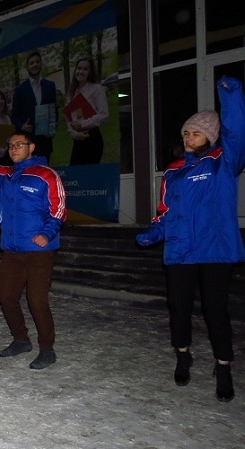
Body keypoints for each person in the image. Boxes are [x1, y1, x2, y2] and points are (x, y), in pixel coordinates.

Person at [136, 76, 244, 403]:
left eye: (196, 133)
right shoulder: (173, 172)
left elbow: (237, 132)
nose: (188, 137)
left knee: (215, 308)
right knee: (178, 306)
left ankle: (223, 367)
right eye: (186, 132)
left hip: (214, 248)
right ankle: (183, 355)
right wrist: (155, 231)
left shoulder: (223, 162)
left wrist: (232, 99)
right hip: (180, 249)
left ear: (210, 137)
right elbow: (165, 211)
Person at [0, 131, 67, 369]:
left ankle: (47, 349)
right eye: (10, 145)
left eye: (19, 144)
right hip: (12, 250)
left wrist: (46, 234)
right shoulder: (6, 174)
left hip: (38, 250)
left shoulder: (46, 175)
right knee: (6, 298)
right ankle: (21, 340)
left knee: (37, 301)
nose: (13, 148)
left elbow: (59, 209)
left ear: (31, 147)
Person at [11, 51, 57, 163]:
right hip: (28, 141)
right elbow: (14, 116)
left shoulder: (50, 86)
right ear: (27, 67)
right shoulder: (20, 89)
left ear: (41, 64)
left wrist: (52, 129)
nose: (34, 65)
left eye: (37, 62)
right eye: (31, 63)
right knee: (29, 171)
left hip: (45, 140)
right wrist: (22, 126)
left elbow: (54, 111)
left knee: (44, 171)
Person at [65, 56, 109, 165]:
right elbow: (68, 119)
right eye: (79, 68)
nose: (81, 71)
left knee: (90, 174)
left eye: (85, 69)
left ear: (90, 72)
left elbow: (103, 114)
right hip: (78, 140)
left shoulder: (97, 89)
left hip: (92, 139)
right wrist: (75, 134)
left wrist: (83, 124)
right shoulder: (72, 92)